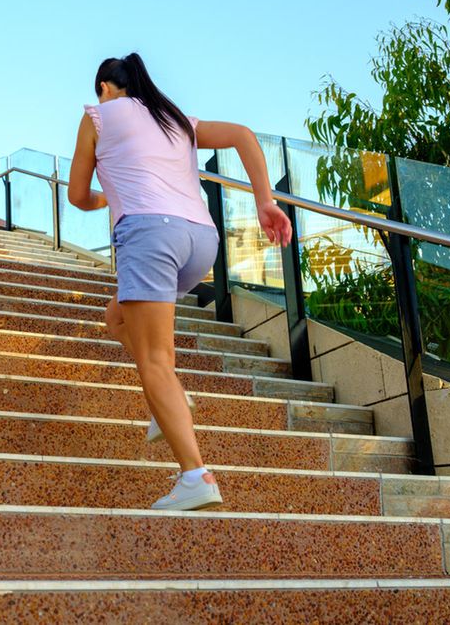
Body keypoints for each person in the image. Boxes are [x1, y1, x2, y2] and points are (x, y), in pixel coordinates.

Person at [67, 53, 291, 511]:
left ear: (106, 87)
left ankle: (195, 475)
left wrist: (111, 194)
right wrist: (264, 202)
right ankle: (165, 399)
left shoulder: (97, 115)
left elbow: (75, 195)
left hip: (151, 234)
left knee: (155, 358)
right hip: (200, 241)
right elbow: (244, 136)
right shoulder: (175, 118)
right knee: (117, 315)